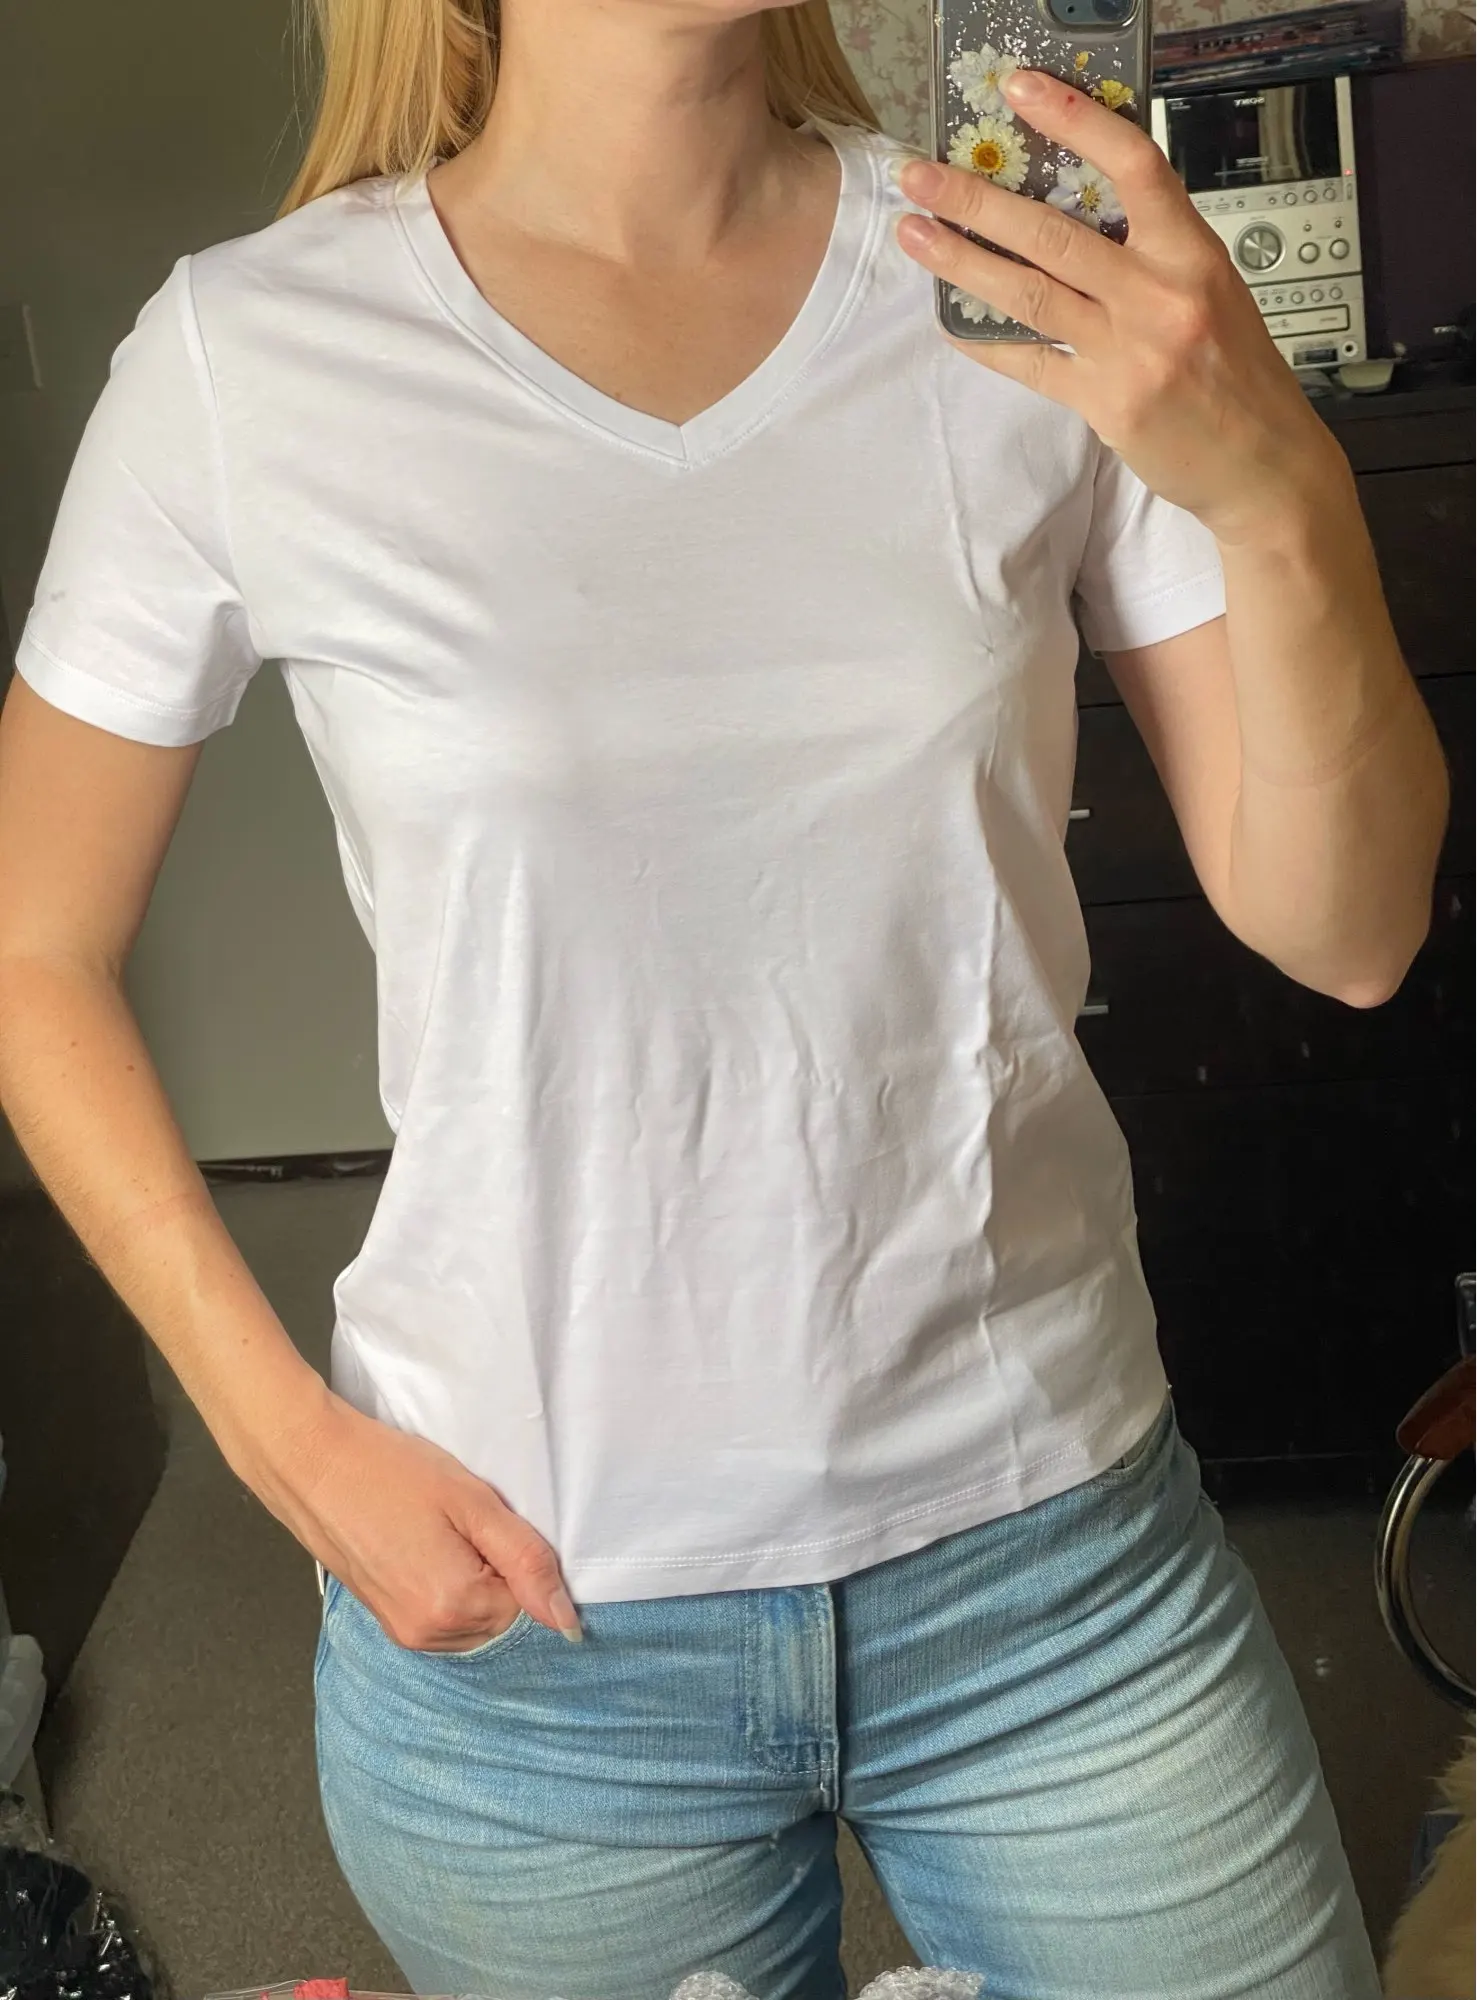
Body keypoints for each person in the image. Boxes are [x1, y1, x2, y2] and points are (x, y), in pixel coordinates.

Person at [0, 1, 1448, 1994]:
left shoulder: (1025, 282)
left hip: (1053, 1565)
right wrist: (279, 1440)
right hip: (538, 1632)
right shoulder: (246, 355)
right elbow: (32, 946)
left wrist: (1282, 484)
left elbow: (1346, 928)